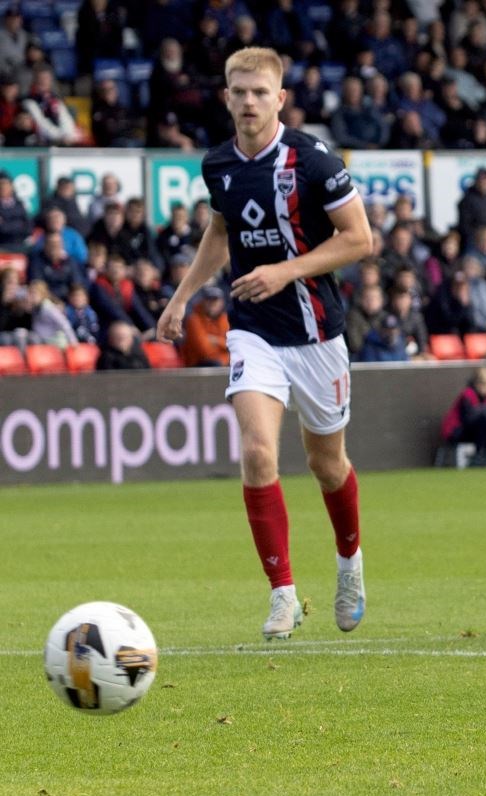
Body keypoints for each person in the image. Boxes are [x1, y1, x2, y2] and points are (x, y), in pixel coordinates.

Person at [156, 47, 373, 641]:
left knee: (327, 464)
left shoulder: (314, 161)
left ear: (280, 99)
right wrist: (181, 297)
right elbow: (220, 231)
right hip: (253, 329)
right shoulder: (218, 164)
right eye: (238, 91)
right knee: (257, 453)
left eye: (260, 93)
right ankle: (282, 595)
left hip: (317, 331)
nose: (248, 102)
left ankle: (349, 563)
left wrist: (286, 270)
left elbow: (360, 240)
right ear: (226, 96)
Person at [440, 366, 486, 466]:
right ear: (477, 384)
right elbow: (467, 419)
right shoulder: (468, 394)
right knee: (484, 424)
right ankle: (479, 456)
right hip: (454, 431)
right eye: (485, 383)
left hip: (470, 430)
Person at [181, 285, 231, 367]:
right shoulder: (194, 320)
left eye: (215, 300)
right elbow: (205, 352)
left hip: (221, 361)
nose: (212, 304)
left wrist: (216, 341)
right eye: (209, 300)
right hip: (197, 366)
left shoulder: (224, 319)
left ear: (222, 302)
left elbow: (232, 345)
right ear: (203, 301)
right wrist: (225, 349)